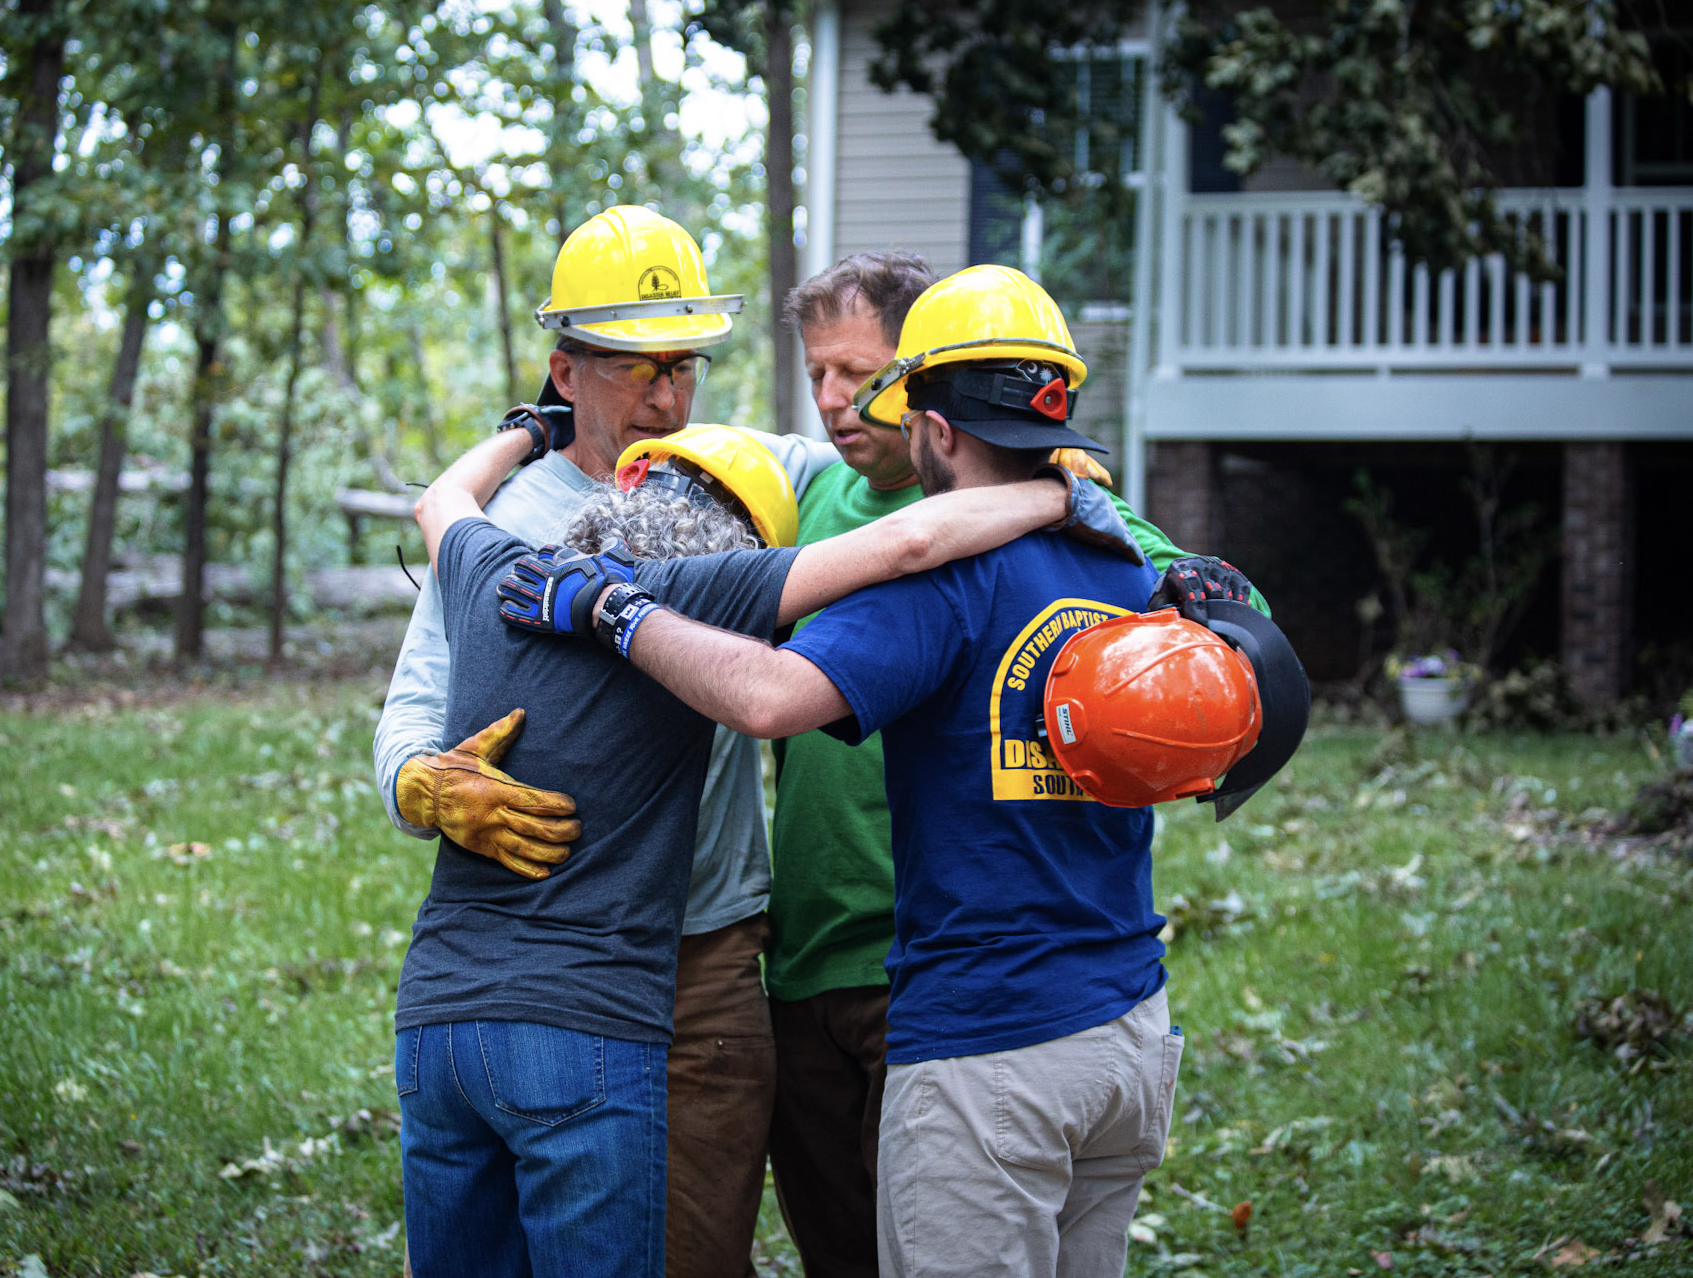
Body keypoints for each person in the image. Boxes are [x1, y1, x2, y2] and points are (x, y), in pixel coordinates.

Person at [496, 265, 1254, 1278]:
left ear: (933, 428)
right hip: (1124, 1033)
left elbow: (766, 697)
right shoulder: (1130, 571)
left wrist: (611, 611)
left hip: (991, 1052)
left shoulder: (941, 581)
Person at [397, 413, 1140, 1276]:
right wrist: (1057, 489)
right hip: (584, 1023)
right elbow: (909, 543)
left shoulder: (499, 566)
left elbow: (441, 498)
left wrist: (528, 432)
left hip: (435, 1021)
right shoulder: (702, 590)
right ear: (745, 535)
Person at [764, 252, 1265, 1278]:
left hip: (955, 982)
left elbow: (1222, 638)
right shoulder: (800, 496)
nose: (831, 401)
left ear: (925, 399)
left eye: (859, 377)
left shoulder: (1096, 530)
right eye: (813, 373)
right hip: (811, 955)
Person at [372, 204, 836, 1275]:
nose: (667, 396)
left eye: (684, 366)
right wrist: (423, 789)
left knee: (689, 1252)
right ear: (564, 371)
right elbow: (411, 706)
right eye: (635, 367)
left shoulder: (745, 477)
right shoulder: (509, 521)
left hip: (703, 953)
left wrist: (1038, 474)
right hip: (538, 957)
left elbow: (878, 471)